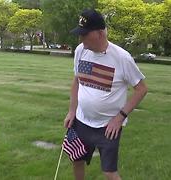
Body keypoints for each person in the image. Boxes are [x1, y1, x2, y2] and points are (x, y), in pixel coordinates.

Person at [63, 9, 148, 180]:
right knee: (76, 158)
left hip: (107, 127)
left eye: (85, 34)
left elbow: (141, 89)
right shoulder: (81, 50)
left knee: (109, 171)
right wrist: (72, 111)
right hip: (81, 120)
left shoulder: (122, 58)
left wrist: (119, 118)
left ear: (100, 33)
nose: (80, 39)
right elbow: (77, 81)